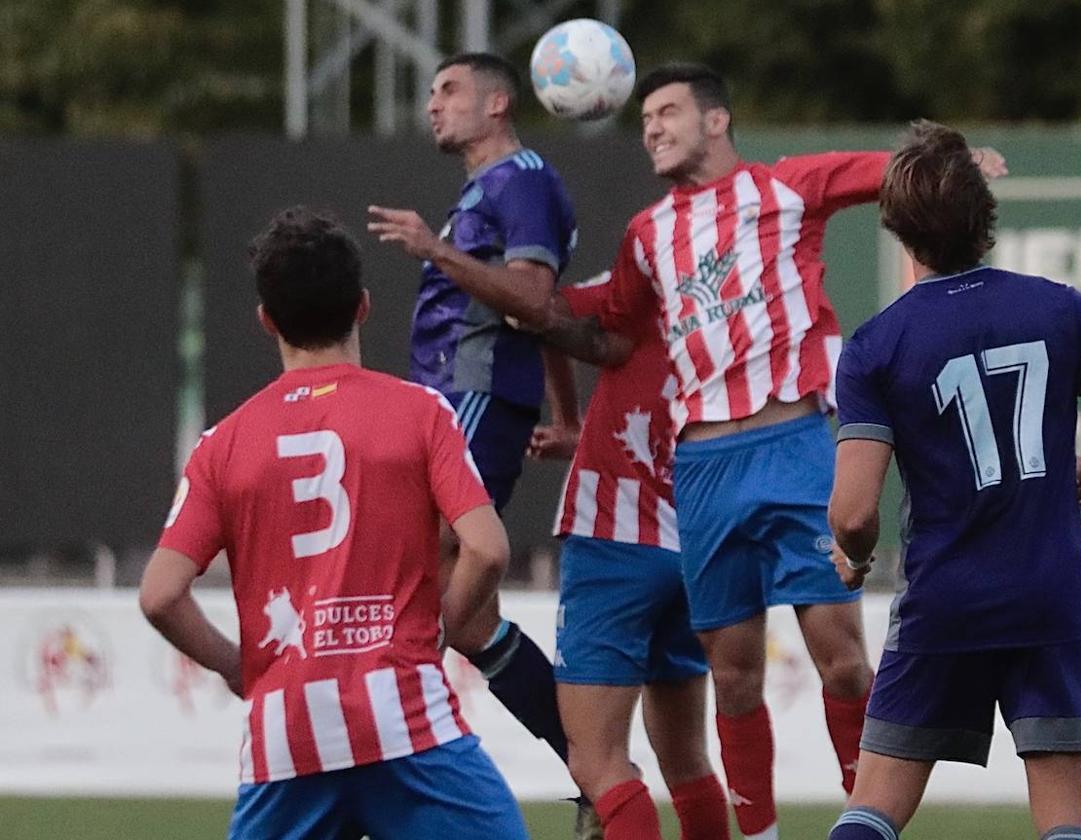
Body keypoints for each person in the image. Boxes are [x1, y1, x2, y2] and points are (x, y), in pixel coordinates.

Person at [372, 63, 1007, 839]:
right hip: (701, 472)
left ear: (716, 121)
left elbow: (894, 174)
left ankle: (867, 822)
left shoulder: (788, 188)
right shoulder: (648, 235)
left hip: (792, 445)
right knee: (734, 674)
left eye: (667, 112)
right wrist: (535, 321)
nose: (652, 128)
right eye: (644, 120)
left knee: (840, 656)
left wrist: (959, 164)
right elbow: (608, 331)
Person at [139, 207, 528, 839]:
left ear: (267, 321)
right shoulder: (421, 413)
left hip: (286, 736)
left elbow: (159, 595)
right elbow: (486, 549)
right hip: (404, 719)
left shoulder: (222, 444)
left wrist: (236, 666)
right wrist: (438, 630)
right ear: (364, 307)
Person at [826, 121, 1081, 840]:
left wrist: (852, 562)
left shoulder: (876, 347)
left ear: (898, 229)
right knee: (1067, 823)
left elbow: (854, 515)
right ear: (987, 220)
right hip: (1052, 600)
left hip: (943, 603)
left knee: (873, 809)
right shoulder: (1063, 308)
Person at [367, 51, 579, 796]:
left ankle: (399, 763)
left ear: (498, 103)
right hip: (455, 400)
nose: (433, 104)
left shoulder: (521, 180)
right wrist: (567, 414)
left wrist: (435, 249)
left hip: (475, 397)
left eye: (449, 89)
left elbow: (532, 299)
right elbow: (549, 316)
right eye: (430, 92)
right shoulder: (491, 190)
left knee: (402, 574)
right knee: (467, 623)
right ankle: (595, 765)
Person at [531, 273, 729, 840]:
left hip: (614, 541)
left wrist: (568, 417)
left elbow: (540, 311)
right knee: (688, 762)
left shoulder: (641, 280)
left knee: (597, 762)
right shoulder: (730, 320)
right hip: (692, 549)